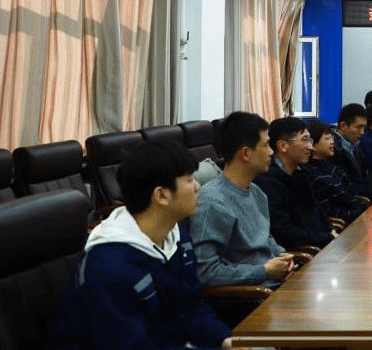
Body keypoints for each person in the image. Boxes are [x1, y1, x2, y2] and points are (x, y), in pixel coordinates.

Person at [47, 141, 239, 350]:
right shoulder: (109, 268)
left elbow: (192, 308)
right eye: (189, 180)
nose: (197, 186)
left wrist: (225, 340)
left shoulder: (177, 238)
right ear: (161, 195)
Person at [189, 112, 294, 290]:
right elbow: (206, 273)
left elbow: (265, 238)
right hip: (253, 297)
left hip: (275, 287)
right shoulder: (212, 202)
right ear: (245, 153)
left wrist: (282, 256)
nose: (271, 152)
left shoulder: (257, 193)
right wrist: (264, 271)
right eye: (266, 145)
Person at [254, 117, 337, 249]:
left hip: (320, 244)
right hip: (301, 254)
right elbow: (284, 232)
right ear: (282, 146)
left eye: (310, 140)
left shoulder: (302, 173)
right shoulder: (267, 182)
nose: (311, 147)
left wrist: (330, 230)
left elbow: (316, 210)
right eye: (305, 140)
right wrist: (326, 237)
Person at [304, 119, 369, 225]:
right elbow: (329, 211)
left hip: (359, 213)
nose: (332, 142)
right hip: (348, 222)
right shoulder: (314, 176)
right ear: (313, 145)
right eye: (327, 138)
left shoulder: (332, 165)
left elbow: (351, 193)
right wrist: (361, 211)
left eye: (332, 138)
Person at [332, 103, 372, 201]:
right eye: (358, 127)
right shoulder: (332, 150)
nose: (362, 132)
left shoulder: (355, 146)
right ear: (343, 126)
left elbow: (366, 174)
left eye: (364, 128)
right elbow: (348, 184)